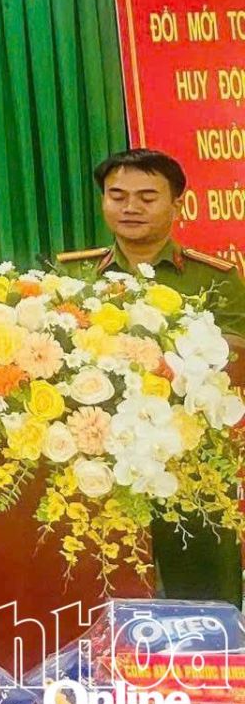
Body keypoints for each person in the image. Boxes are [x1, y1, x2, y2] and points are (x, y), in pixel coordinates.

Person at [53, 148, 245, 604]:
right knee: (105, 590)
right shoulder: (75, 274)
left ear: (177, 204)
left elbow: (234, 360)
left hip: (189, 462)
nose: (130, 207)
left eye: (146, 197)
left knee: (203, 593)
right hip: (99, 463)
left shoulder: (213, 277)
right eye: (117, 196)